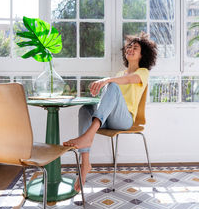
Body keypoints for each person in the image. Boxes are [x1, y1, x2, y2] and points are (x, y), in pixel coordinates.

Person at [63, 32, 158, 191]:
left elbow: (128, 80)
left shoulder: (143, 72)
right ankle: (85, 163)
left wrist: (107, 80)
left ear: (143, 54)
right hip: (110, 117)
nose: (130, 49)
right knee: (85, 109)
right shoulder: (119, 74)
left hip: (126, 119)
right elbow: (110, 98)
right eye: (129, 46)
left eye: (135, 48)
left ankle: (88, 136)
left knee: (112, 86)